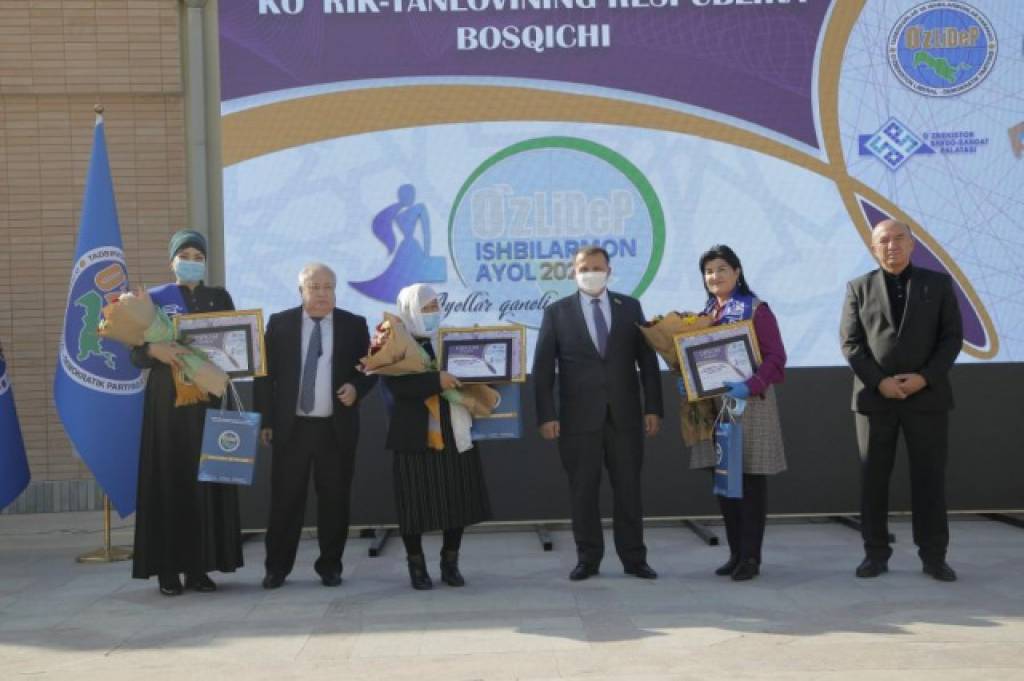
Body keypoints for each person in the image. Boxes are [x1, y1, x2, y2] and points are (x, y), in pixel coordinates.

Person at [840, 219, 962, 582]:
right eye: (883, 240)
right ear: (873, 248)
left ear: (912, 244)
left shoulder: (938, 284)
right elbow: (851, 343)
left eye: (898, 239)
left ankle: (934, 556)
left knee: (929, 479)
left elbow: (951, 338)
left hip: (927, 397)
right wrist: (880, 382)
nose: (891, 245)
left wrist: (924, 377)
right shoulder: (859, 287)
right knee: (874, 481)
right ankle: (875, 554)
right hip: (876, 399)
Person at [533, 246, 663, 581]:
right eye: (583, 268)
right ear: (572, 272)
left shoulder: (629, 307)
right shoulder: (557, 313)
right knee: (583, 491)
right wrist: (546, 415)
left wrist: (653, 407)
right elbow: (543, 370)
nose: (590, 273)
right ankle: (587, 559)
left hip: (626, 417)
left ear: (609, 271)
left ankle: (635, 559)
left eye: (596, 267)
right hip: (578, 420)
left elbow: (647, 363)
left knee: (629, 490)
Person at [131, 229, 243, 596]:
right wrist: (153, 351)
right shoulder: (154, 299)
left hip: (208, 401)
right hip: (168, 406)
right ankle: (167, 570)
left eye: (198, 257)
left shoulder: (219, 297)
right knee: (169, 479)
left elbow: (237, 343)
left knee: (205, 482)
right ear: (172, 261)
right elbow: (134, 354)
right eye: (185, 256)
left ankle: (199, 568)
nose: (192, 262)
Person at [255, 263, 376, 589]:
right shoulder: (280, 324)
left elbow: (369, 369)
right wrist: (266, 420)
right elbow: (265, 376)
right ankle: (277, 568)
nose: (323, 294)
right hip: (291, 429)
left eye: (328, 287)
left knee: (335, 501)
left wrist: (356, 388)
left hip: (334, 430)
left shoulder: (354, 325)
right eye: (315, 287)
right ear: (301, 291)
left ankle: (330, 566)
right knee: (285, 501)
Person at [685, 245, 787, 581]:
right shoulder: (706, 313)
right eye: (708, 271)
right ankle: (735, 553)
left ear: (737, 272)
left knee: (750, 483)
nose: (714, 276)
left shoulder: (755, 310)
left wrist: (751, 384)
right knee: (725, 482)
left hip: (749, 405)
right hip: (715, 407)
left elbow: (776, 358)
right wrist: (687, 379)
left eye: (721, 269)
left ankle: (751, 558)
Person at [382, 284, 492, 590]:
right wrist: (436, 379)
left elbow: (470, 373)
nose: (432, 313)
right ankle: (416, 566)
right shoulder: (391, 341)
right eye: (425, 307)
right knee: (413, 504)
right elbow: (397, 387)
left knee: (456, 499)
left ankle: (450, 563)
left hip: (453, 431)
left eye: (434, 306)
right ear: (408, 310)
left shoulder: (449, 340)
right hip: (415, 435)